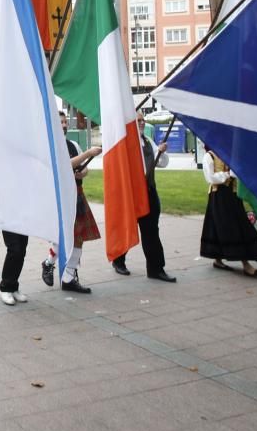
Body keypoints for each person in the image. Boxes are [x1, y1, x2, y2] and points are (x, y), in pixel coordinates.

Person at [41, 102, 103, 294]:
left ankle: (68, 276)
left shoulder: (73, 145)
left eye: (65, 122)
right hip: (61, 197)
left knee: (78, 238)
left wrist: (81, 173)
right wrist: (89, 153)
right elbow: (62, 165)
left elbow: (83, 169)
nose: (64, 126)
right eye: (60, 123)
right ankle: (49, 262)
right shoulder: (50, 145)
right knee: (63, 237)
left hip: (77, 194)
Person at [113, 112, 177, 282]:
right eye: (138, 120)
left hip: (149, 191)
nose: (141, 123)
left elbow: (162, 163)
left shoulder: (148, 142)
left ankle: (156, 268)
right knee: (128, 227)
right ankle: (118, 260)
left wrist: (161, 152)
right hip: (132, 193)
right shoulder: (126, 142)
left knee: (151, 231)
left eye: (143, 120)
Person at [201, 148, 257, 276]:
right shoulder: (209, 156)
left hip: (232, 195)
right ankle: (246, 265)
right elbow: (210, 178)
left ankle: (219, 260)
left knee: (235, 226)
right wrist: (227, 175)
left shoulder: (230, 155)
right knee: (231, 228)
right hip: (219, 197)